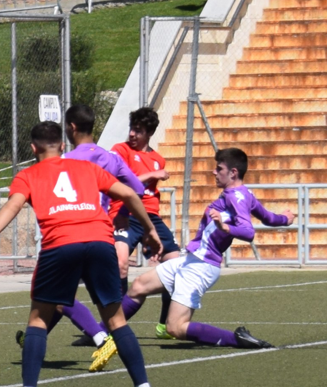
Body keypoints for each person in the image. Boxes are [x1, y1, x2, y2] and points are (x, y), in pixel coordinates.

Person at [0, 121, 161, 387]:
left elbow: (11, 207)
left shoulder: (28, 175)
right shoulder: (88, 168)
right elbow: (130, 193)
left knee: (39, 320)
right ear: (63, 147)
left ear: (33, 148)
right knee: (116, 320)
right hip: (100, 243)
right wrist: (150, 231)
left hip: (61, 244)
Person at [111, 148, 287, 367]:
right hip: (191, 260)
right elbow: (268, 217)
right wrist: (286, 219)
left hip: (201, 267)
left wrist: (225, 227)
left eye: (219, 168)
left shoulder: (237, 197)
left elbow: (248, 232)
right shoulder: (243, 193)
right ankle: (100, 333)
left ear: (233, 172)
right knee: (139, 285)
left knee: (175, 327)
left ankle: (237, 338)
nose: (214, 172)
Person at [16, 104, 149, 352]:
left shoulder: (65, 161)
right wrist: (123, 215)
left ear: (71, 128)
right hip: (101, 235)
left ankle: (98, 337)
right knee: (69, 300)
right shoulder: (113, 158)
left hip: (68, 233)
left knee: (51, 293)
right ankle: (33, 338)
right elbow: (137, 191)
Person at [110, 106, 183, 338]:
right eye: (132, 129)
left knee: (176, 266)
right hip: (126, 214)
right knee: (121, 263)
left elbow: (150, 196)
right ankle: (114, 323)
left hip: (151, 218)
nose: (132, 134)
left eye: (138, 130)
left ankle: (164, 325)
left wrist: (148, 236)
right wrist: (152, 175)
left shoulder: (157, 158)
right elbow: (120, 184)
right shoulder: (120, 150)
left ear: (149, 133)